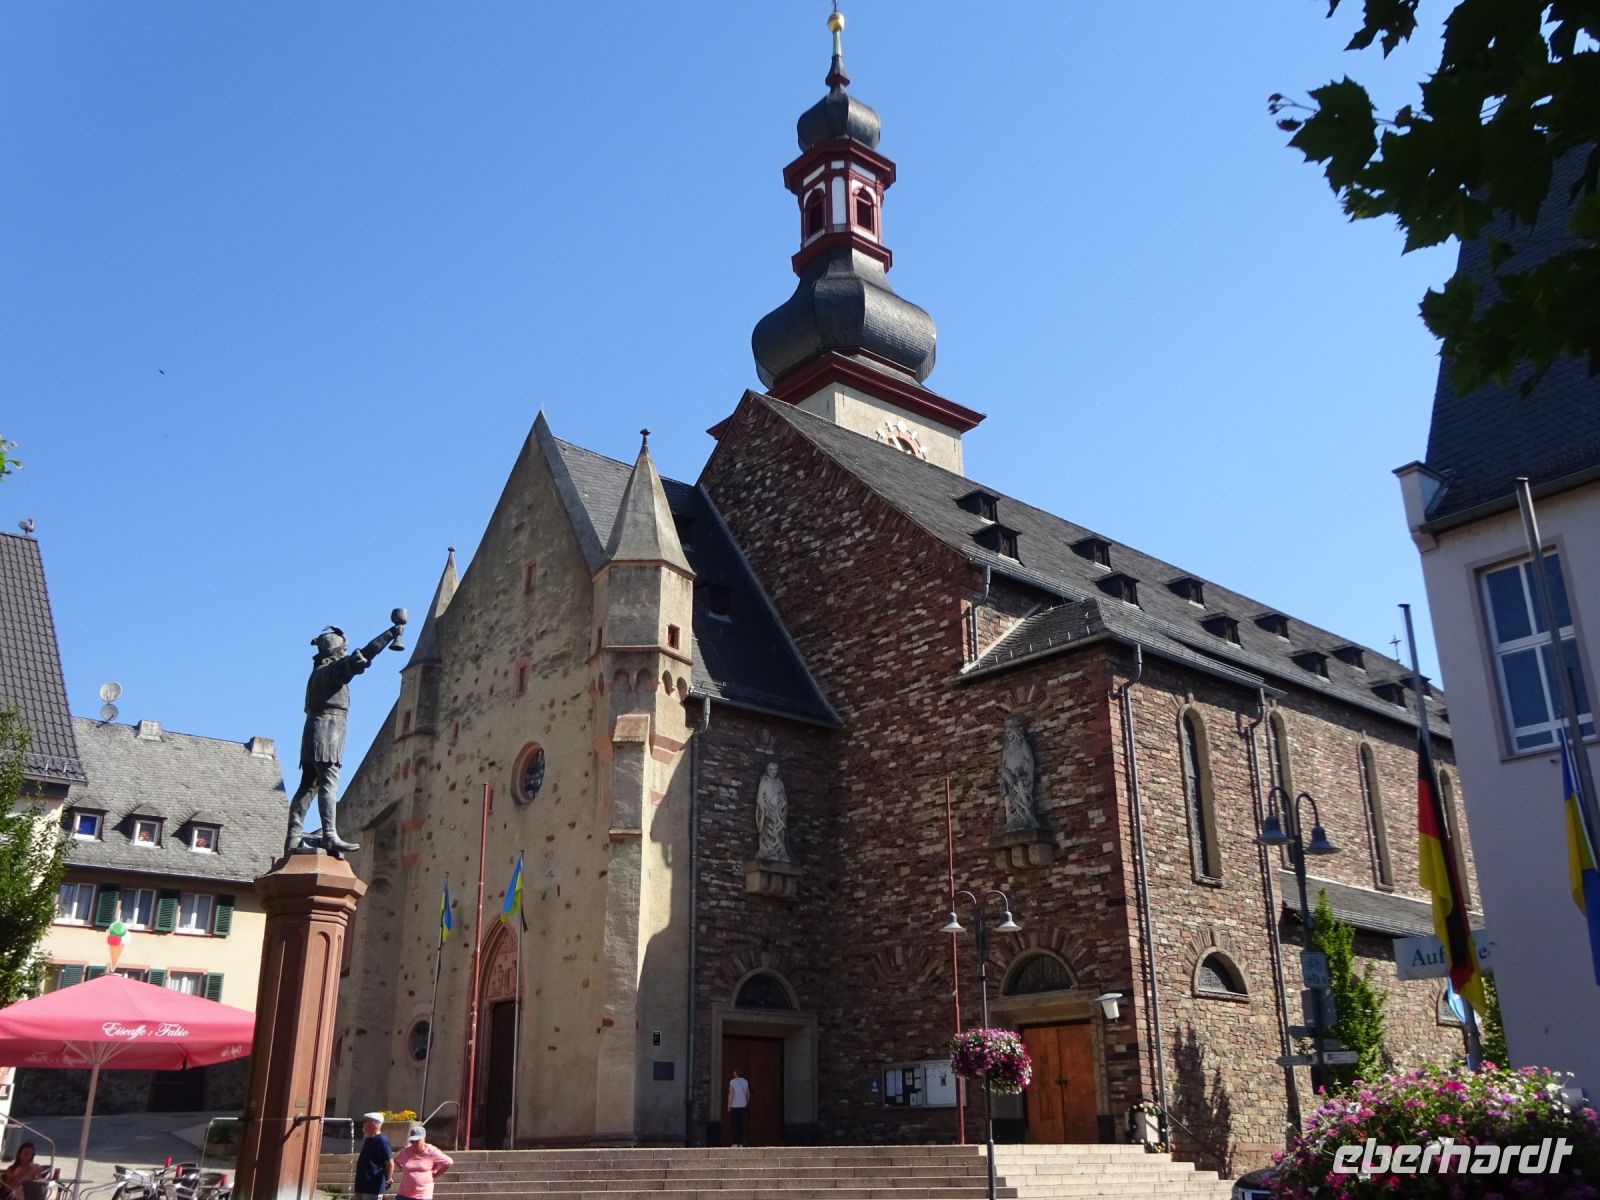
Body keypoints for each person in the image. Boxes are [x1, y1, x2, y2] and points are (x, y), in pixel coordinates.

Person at [284, 621, 403, 856]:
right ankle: (329, 835)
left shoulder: (317, 673)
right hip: (327, 733)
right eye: (344, 650)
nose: (345, 654)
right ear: (337, 651)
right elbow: (363, 656)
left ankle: (293, 836)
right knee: (328, 783)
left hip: (313, 733)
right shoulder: (331, 672)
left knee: (308, 786)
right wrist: (390, 634)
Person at [391, 1125, 452, 1200]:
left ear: (424, 1139)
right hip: (404, 1194)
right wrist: (403, 1169)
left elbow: (448, 1162)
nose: (414, 1144)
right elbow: (396, 1160)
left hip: (423, 1194)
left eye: (417, 1141)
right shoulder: (406, 1151)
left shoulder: (432, 1151)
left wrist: (435, 1175)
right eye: (412, 1141)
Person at [352, 1112, 393, 1200]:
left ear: (374, 1124)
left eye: (366, 1121)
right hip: (361, 1186)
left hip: (373, 1187)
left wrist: (389, 1179)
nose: (363, 1124)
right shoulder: (368, 1140)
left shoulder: (382, 1140)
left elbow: (389, 1163)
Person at [725, 1068, 750, 1147]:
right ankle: (741, 1143)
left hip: (734, 1106)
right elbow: (748, 1094)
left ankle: (735, 1143)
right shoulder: (745, 1081)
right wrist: (746, 1103)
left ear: (735, 1074)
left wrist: (729, 1105)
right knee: (740, 1125)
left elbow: (731, 1094)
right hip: (742, 1106)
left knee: (734, 1125)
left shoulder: (732, 1082)